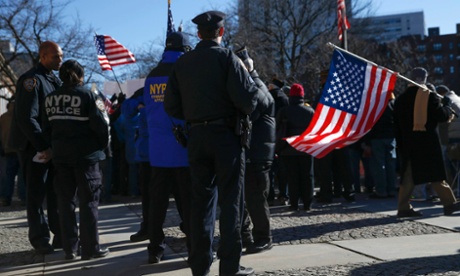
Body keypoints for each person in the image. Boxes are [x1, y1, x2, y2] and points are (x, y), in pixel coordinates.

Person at [164, 10, 262, 276]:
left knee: (201, 205)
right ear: (221, 32)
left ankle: (200, 265)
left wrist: (196, 116)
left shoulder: (183, 63)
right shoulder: (227, 58)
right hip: (226, 137)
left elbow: (171, 105)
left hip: (197, 137)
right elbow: (248, 100)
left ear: (198, 34)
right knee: (231, 203)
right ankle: (229, 267)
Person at [44, 59, 110, 260]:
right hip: (86, 158)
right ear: (80, 76)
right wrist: (100, 149)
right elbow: (103, 127)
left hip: (61, 157)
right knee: (89, 203)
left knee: (65, 204)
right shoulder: (90, 95)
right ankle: (91, 249)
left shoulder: (50, 98)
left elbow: (46, 128)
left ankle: (69, 248)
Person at [139, 31, 194, 264]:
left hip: (158, 152)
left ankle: (155, 249)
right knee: (188, 204)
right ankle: (194, 245)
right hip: (182, 149)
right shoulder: (185, 72)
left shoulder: (151, 75)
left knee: (156, 206)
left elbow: (147, 114)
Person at [8, 41, 62, 254]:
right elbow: (26, 118)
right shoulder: (31, 80)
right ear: (43, 56)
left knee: (55, 194)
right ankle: (40, 239)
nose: (60, 60)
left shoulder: (53, 80)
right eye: (56, 56)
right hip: (34, 147)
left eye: (60, 56)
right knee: (36, 195)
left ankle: (60, 235)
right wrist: (43, 147)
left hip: (49, 145)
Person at [394, 67, 460, 217]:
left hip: (408, 143)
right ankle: (449, 204)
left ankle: (403, 207)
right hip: (427, 142)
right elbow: (442, 116)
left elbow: (396, 126)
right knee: (436, 175)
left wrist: (400, 144)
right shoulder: (430, 95)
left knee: (408, 176)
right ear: (425, 78)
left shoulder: (400, 100)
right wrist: (447, 106)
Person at [241, 54, 275, 254]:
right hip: (254, 152)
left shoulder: (257, 88)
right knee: (250, 197)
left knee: (255, 198)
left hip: (257, 154)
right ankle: (249, 236)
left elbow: (250, 112)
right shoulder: (256, 86)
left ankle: (264, 237)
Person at [276, 84, 315, 211]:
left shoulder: (284, 111)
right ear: (302, 96)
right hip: (306, 149)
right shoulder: (310, 111)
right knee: (307, 177)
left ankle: (293, 203)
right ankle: (307, 203)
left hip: (288, 149)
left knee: (292, 177)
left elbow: (277, 129)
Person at [124, 88, 150, 243]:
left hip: (170, 150)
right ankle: (148, 229)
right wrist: (139, 104)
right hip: (148, 153)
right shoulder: (144, 92)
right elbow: (127, 110)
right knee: (149, 197)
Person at [363, 93, 397, 198]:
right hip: (391, 137)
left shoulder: (374, 106)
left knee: (379, 165)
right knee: (391, 164)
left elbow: (369, 124)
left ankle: (381, 190)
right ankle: (391, 189)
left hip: (377, 137)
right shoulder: (393, 104)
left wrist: (367, 141)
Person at [268, 78, 289, 206]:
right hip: (282, 138)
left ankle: (270, 196)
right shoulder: (285, 99)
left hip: (269, 136)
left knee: (270, 170)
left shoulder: (267, 97)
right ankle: (283, 195)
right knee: (283, 170)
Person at [0, 101, 25, 206]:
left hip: (7, 149)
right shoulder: (23, 117)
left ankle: (5, 198)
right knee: (22, 176)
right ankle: (24, 198)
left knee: (7, 176)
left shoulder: (3, 118)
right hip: (21, 149)